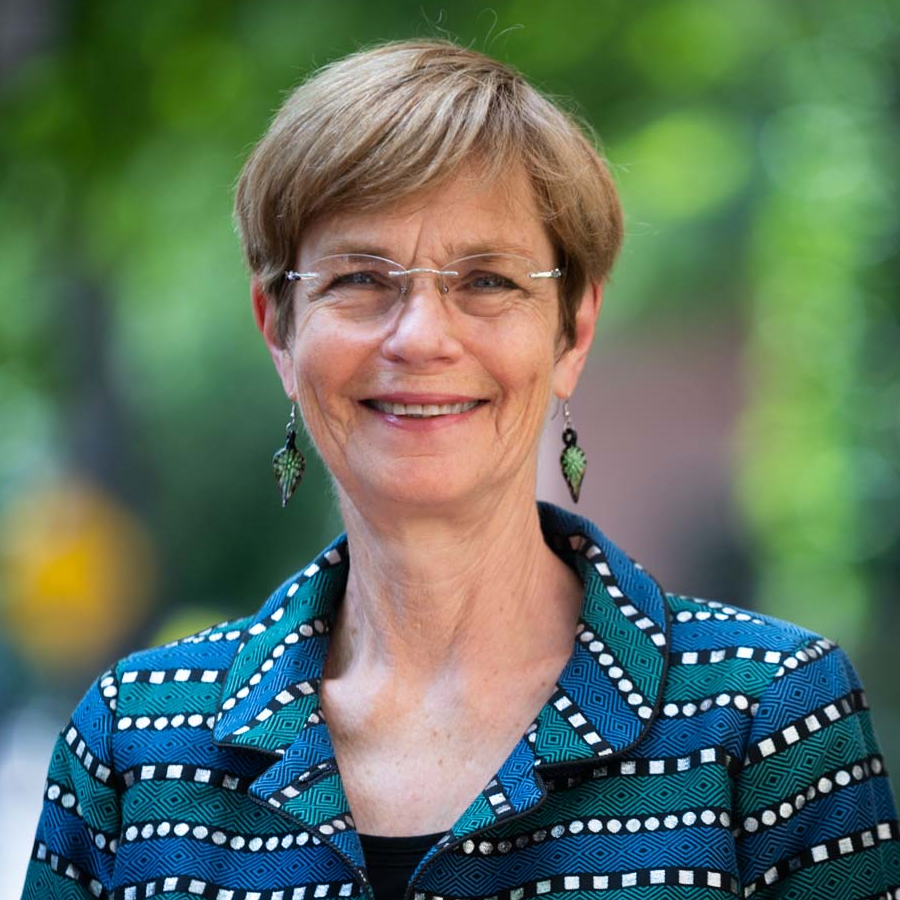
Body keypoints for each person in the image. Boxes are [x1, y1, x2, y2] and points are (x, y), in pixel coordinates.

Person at [23, 39, 899, 900]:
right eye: (362, 278)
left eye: (486, 281)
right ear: (279, 330)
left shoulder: (771, 721)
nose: (421, 337)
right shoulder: (134, 743)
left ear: (573, 331)